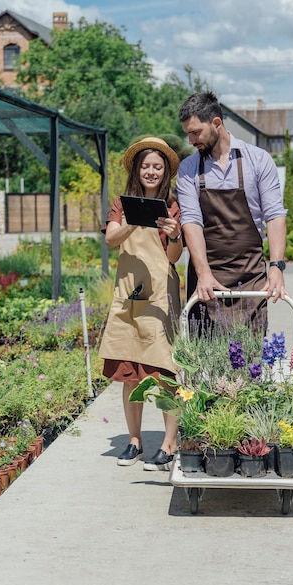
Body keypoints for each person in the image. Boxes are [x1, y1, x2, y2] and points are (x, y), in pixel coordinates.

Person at [99, 137, 183, 471]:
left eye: (157, 167)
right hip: (128, 294)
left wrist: (174, 234)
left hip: (161, 295)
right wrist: (135, 218)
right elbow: (110, 239)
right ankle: (134, 441)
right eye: (146, 166)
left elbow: (174, 258)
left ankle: (168, 444)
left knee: (164, 372)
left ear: (165, 173)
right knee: (130, 372)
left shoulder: (173, 205)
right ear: (137, 169)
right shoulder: (121, 204)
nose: (151, 171)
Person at [176, 91, 288, 329]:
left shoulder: (258, 160)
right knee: (205, 359)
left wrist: (277, 267)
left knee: (249, 360)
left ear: (216, 123)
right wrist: (203, 272)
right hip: (206, 277)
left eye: (196, 133)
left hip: (251, 276)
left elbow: (275, 214)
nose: (191, 141)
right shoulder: (188, 168)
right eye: (188, 134)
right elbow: (191, 221)